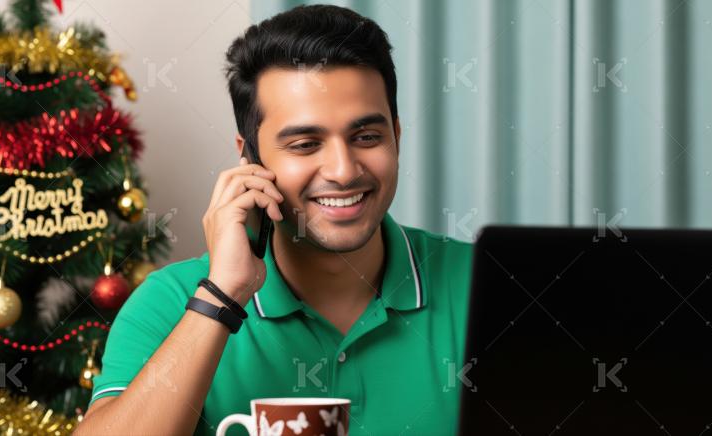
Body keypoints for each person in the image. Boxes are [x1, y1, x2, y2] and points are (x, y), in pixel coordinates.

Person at [74, 4, 472, 435]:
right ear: (250, 158)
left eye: (367, 137)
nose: (343, 170)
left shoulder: (481, 282)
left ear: (397, 137)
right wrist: (222, 296)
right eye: (305, 144)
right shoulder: (169, 301)